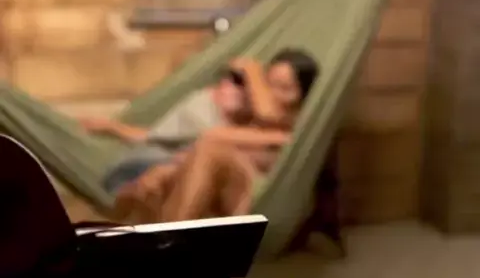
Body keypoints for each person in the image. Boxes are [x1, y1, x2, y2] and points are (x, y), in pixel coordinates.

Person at [123, 48, 320, 223]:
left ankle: (168, 240)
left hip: (257, 204)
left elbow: (217, 136)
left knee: (208, 150)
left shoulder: (298, 124)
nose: (272, 94)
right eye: (268, 84)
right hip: (216, 195)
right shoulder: (252, 124)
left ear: (303, 98)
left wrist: (252, 70)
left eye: (285, 89)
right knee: (147, 184)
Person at [82, 72, 252, 200]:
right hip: (143, 167)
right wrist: (110, 126)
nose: (235, 93)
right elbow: (154, 135)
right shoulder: (202, 105)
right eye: (230, 86)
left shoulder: (240, 128)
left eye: (241, 92)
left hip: (179, 176)